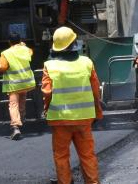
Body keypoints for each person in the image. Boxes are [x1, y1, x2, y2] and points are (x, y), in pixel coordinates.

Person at [42, 26, 102, 184]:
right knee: (87, 155)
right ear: (74, 43)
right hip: (84, 120)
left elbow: (47, 93)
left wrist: (47, 111)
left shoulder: (50, 66)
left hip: (60, 120)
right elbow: (96, 91)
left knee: (61, 156)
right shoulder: (87, 63)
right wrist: (97, 112)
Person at [0, 32, 36, 140]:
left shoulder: (6, 53)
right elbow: (30, 52)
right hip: (25, 83)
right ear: (20, 40)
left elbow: (2, 67)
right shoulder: (26, 50)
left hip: (14, 85)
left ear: (9, 42)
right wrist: (23, 45)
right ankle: (21, 121)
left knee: (13, 105)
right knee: (22, 103)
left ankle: (15, 127)